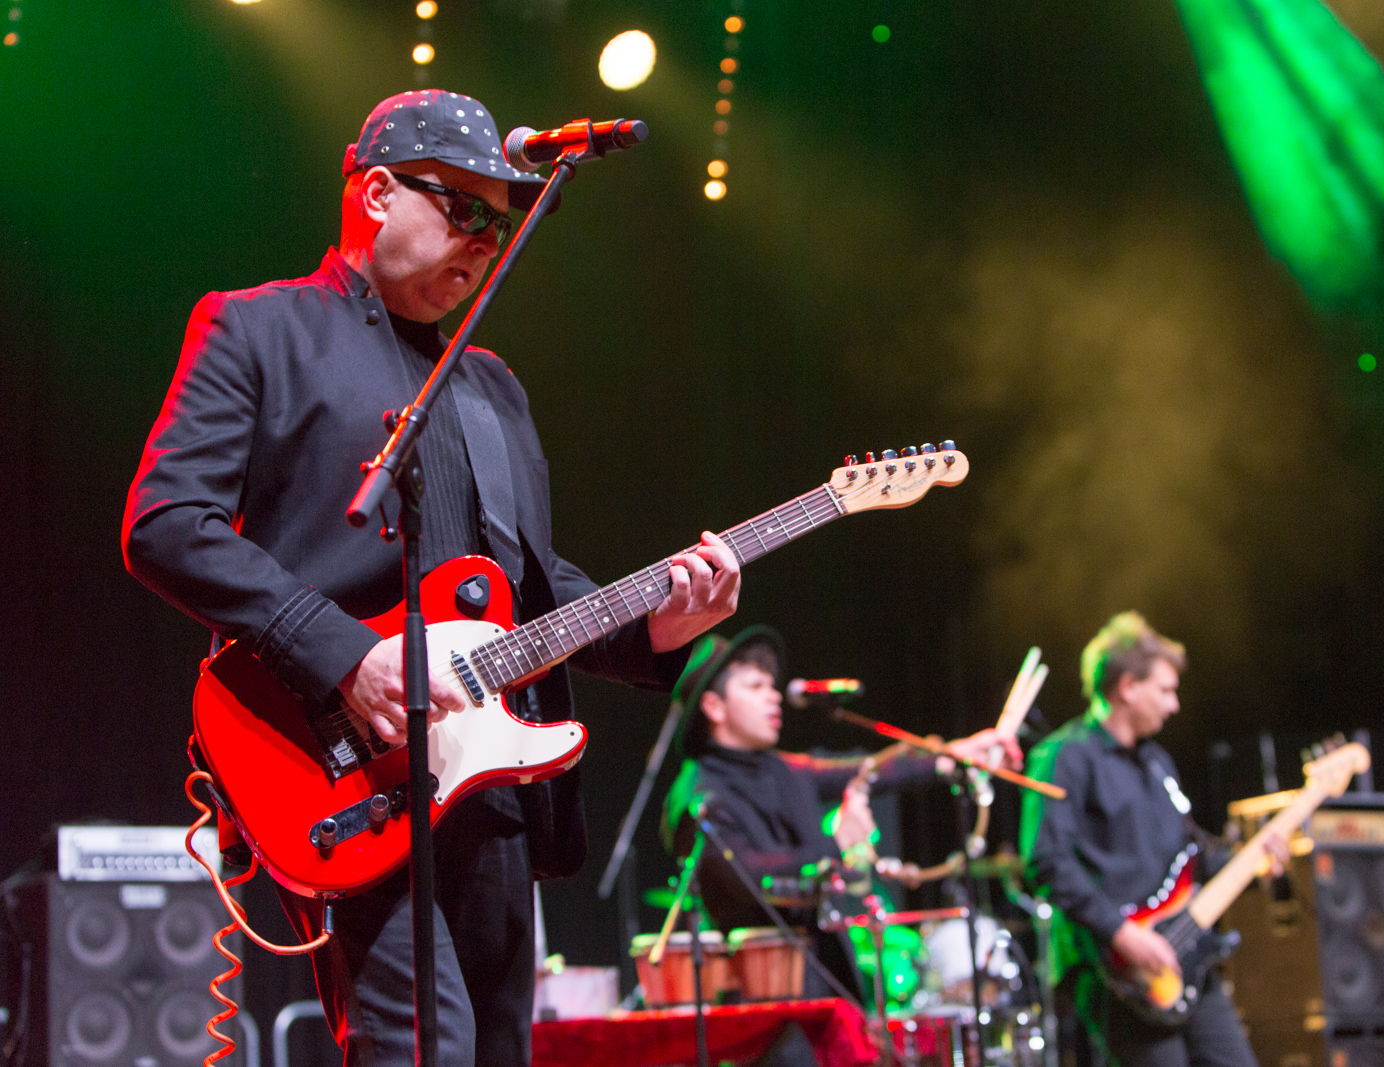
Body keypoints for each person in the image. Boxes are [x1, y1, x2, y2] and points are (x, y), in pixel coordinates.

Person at [122, 89, 740, 1066]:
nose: (486, 242)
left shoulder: (491, 380)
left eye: (500, 226)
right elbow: (165, 521)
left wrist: (653, 632)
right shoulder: (258, 328)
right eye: (465, 211)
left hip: (489, 778)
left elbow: (529, 586)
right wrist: (345, 658)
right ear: (375, 192)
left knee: (495, 1049)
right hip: (344, 767)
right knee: (420, 1048)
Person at [659, 626, 1021, 1001]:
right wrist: (837, 843)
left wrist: (955, 757)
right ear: (714, 706)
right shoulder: (697, 795)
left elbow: (870, 770)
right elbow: (753, 880)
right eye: (755, 687)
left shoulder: (784, 769)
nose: (774, 697)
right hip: (758, 1002)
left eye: (771, 685)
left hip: (825, 983)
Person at [1019, 612, 1286, 1067]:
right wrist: (1122, 933)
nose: (1174, 704)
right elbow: (1045, 860)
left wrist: (1255, 859)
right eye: (1165, 690)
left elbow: (1191, 856)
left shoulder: (1157, 762)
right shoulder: (1064, 757)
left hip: (1188, 964)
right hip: (1118, 974)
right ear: (1127, 686)